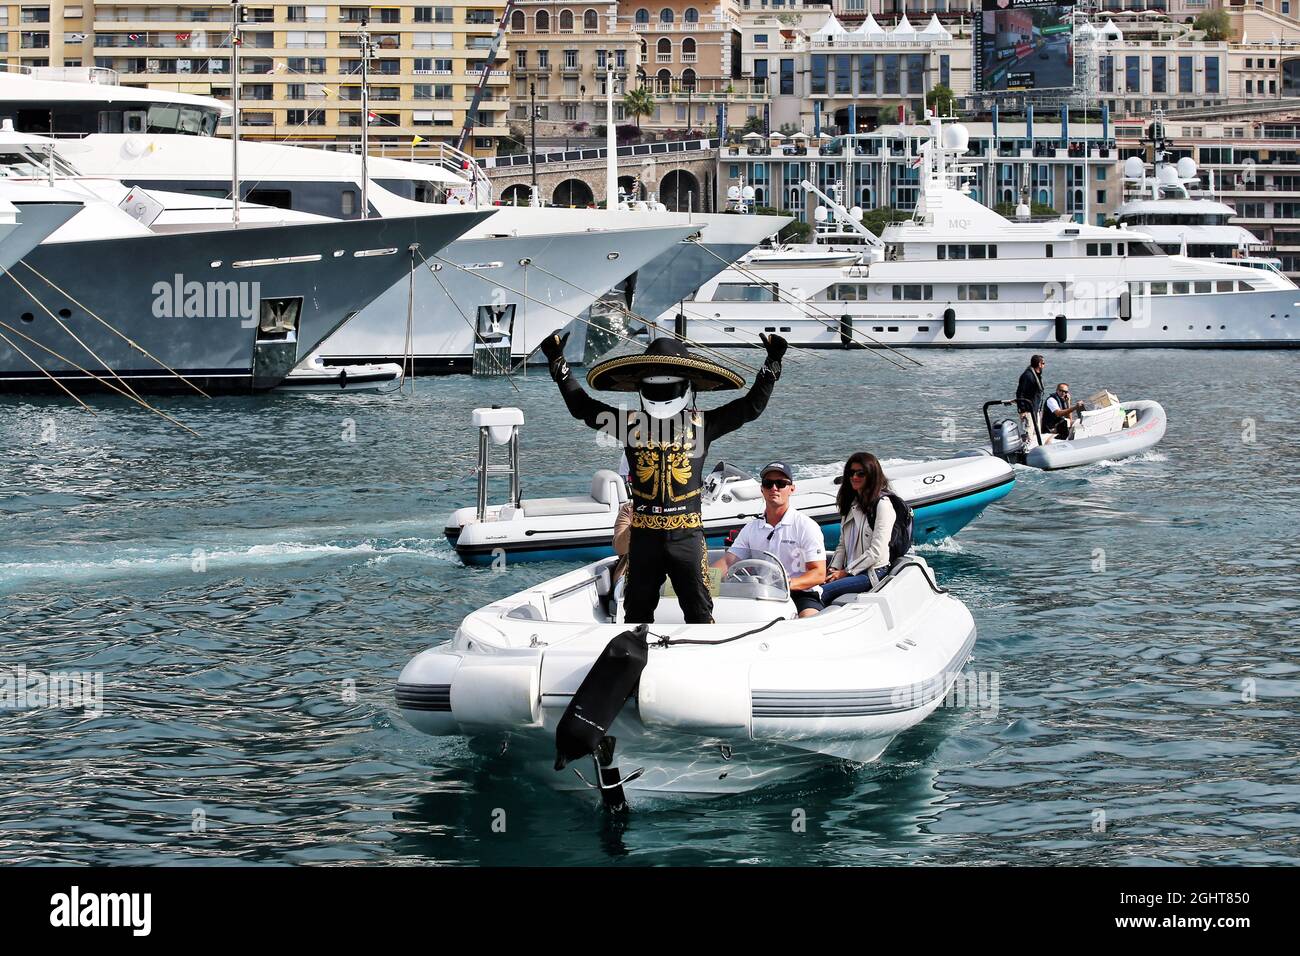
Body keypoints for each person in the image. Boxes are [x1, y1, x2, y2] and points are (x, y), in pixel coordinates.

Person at [540, 328, 786, 624]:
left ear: (687, 387)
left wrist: (771, 365)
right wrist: (559, 366)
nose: (661, 393)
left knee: (699, 612)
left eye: (668, 387)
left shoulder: (699, 424)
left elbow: (750, 408)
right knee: (636, 615)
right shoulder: (631, 425)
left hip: (687, 536)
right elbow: (582, 407)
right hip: (644, 537)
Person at [713, 461, 826, 618]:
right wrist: (704, 580)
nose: (774, 488)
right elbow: (727, 562)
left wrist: (787, 584)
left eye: (780, 483)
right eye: (768, 483)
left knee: (808, 618)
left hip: (801, 593)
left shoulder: (806, 526)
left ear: (792, 489)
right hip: (761, 593)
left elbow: (819, 573)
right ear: (762, 490)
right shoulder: (751, 529)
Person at [821, 452, 912, 608]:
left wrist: (845, 572)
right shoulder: (850, 505)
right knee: (810, 587)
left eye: (861, 473)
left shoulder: (883, 505)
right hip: (850, 569)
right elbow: (842, 545)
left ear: (872, 475)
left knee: (821, 592)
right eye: (851, 473)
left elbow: (876, 551)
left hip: (872, 572)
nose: (854, 477)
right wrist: (833, 569)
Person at [1016, 354, 1046, 439]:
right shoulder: (1027, 376)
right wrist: (1022, 410)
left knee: (1037, 434)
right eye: (1043, 363)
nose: (1044, 365)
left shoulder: (1037, 375)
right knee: (1029, 434)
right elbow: (1020, 393)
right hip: (1028, 411)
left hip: (1035, 410)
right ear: (1039, 364)